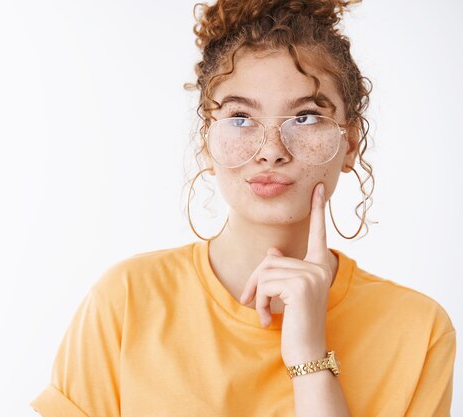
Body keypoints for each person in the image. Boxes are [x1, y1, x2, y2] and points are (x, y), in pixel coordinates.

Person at [30, 0, 456, 415]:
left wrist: (309, 359)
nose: (271, 151)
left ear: (351, 142)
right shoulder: (127, 299)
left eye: (305, 117)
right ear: (205, 141)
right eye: (240, 117)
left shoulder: (418, 330)